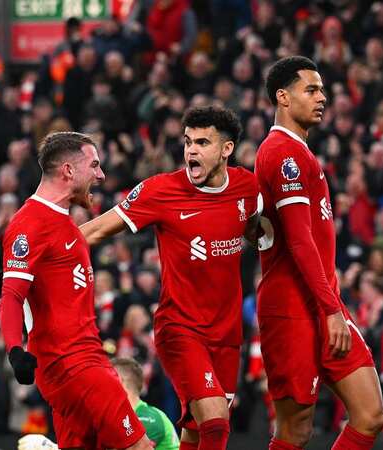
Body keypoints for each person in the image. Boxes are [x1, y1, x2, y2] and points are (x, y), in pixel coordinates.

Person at [80, 105, 261, 450]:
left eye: (203, 142)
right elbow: (96, 229)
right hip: (181, 329)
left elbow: (254, 228)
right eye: (188, 141)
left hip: (226, 334)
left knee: (195, 431)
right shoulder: (161, 190)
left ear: (226, 150)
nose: (191, 150)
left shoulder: (246, 187)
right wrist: (32, 257)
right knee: (216, 420)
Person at [255, 56, 383, 450]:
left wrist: (331, 306)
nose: (322, 98)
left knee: (371, 415)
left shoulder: (299, 153)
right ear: (283, 97)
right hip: (294, 307)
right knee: (295, 431)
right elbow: (298, 240)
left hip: (323, 301)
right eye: (311, 90)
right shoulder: (284, 154)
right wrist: (331, 310)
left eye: (323, 90)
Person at [0, 131, 152, 450]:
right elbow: (11, 295)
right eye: (94, 165)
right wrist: (15, 350)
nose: (101, 175)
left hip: (74, 363)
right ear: (69, 170)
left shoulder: (64, 224)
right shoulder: (29, 223)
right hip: (75, 363)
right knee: (141, 447)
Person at [18, 357, 180, 450]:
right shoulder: (115, 420)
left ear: (118, 381)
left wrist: (52, 448)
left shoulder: (148, 418)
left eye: (105, 377)